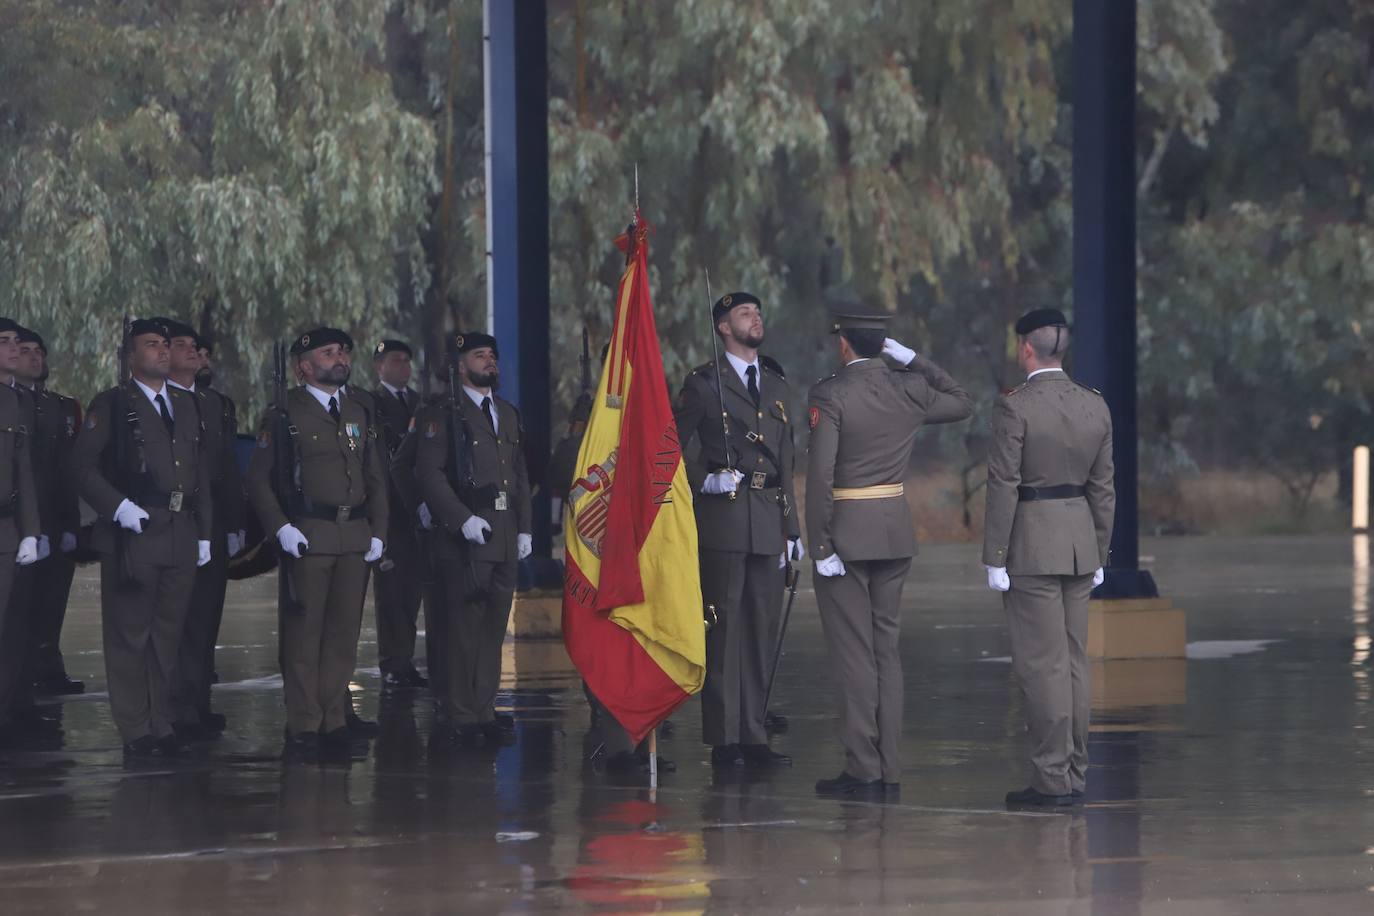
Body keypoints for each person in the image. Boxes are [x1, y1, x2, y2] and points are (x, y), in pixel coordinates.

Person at [806, 308, 972, 797]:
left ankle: (864, 767)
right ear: (883, 344)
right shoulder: (909, 387)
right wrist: (916, 360)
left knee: (855, 654)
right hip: (894, 531)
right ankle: (890, 766)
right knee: (886, 651)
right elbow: (962, 401)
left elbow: (820, 475)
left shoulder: (831, 394)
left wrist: (820, 543)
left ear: (843, 344)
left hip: (848, 535)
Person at [983, 308, 1115, 809]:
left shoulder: (1015, 407)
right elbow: (1103, 488)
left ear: (1026, 348)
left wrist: (995, 555)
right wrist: (1100, 548)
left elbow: (1004, 485)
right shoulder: (1094, 406)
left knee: (1043, 667)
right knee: (1075, 663)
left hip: (1033, 545)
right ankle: (1075, 773)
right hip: (1080, 541)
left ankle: (1049, 779)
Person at [70, 318, 213, 759]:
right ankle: (136, 729)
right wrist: (117, 507)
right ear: (130, 356)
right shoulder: (112, 404)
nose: (163, 351)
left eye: (167, 344)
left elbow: (200, 475)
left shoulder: (186, 406)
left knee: (167, 634)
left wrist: (205, 532)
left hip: (180, 531)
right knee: (130, 634)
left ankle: (160, 720)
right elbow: (80, 467)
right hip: (136, 532)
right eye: (151, 345)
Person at [244, 327, 388, 758]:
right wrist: (281, 528)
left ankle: (334, 720)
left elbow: (375, 477)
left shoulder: (358, 410)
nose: (340, 357)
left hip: (354, 536)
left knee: (343, 636)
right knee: (304, 636)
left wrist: (380, 531)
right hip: (309, 534)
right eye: (329, 353)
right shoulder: (286, 412)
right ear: (303, 366)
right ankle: (304, 725)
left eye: (343, 351)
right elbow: (258, 480)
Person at [673, 292, 801, 769]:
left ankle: (753, 735)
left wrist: (793, 529)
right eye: (745, 313)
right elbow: (668, 447)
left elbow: (786, 463)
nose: (756, 318)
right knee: (723, 631)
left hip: (768, 520)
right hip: (724, 519)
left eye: (758, 312)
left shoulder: (776, 384)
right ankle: (724, 740)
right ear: (724, 326)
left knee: (760, 630)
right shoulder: (704, 385)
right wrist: (701, 480)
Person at [413, 331, 531, 747]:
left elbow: (519, 475)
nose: (489, 362)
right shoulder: (442, 413)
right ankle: (461, 712)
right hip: (467, 535)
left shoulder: (507, 413)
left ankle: (483, 708)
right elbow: (428, 473)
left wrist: (526, 528)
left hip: (502, 533)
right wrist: (460, 519)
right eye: (479, 356)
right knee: (463, 630)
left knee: (493, 629)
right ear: (460, 366)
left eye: (492, 356)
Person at [161, 318, 245, 740]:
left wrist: (234, 522)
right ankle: (173, 708)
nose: (194, 351)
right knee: (174, 618)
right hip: (174, 521)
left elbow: (225, 467)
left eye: (196, 345)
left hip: (212, 523)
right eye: (182, 345)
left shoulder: (214, 404)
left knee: (205, 618)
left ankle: (196, 702)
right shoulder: (159, 400)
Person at [14, 327, 84, 699]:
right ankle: (19, 677)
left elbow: (70, 470)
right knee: (20, 603)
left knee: (53, 600)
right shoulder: (11, 403)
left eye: (39, 351)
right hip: (20, 519)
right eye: (25, 351)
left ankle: (48, 666)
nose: (34, 357)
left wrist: (72, 524)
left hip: (57, 519)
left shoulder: (63, 407)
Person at [370, 338, 428, 691]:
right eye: (396, 360)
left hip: (415, 510)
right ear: (380, 367)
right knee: (391, 594)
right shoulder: (373, 405)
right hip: (390, 510)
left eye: (407, 360)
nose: (404, 367)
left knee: (412, 592)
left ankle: (405, 660)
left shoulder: (420, 404)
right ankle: (392, 662)